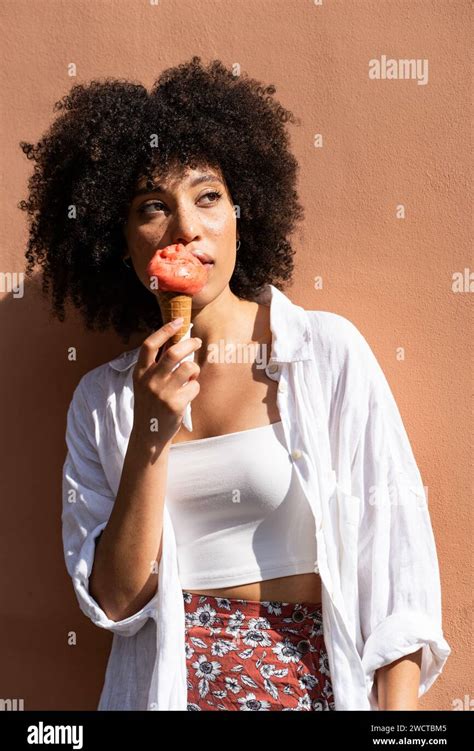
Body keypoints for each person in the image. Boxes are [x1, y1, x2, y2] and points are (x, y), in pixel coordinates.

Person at [19, 56, 451, 711]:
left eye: (207, 196)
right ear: (122, 242)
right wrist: (150, 434)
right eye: (152, 207)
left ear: (243, 212)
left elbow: (396, 575)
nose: (186, 228)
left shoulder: (324, 354)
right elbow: (116, 602)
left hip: (316, 688)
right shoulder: (103, 403)